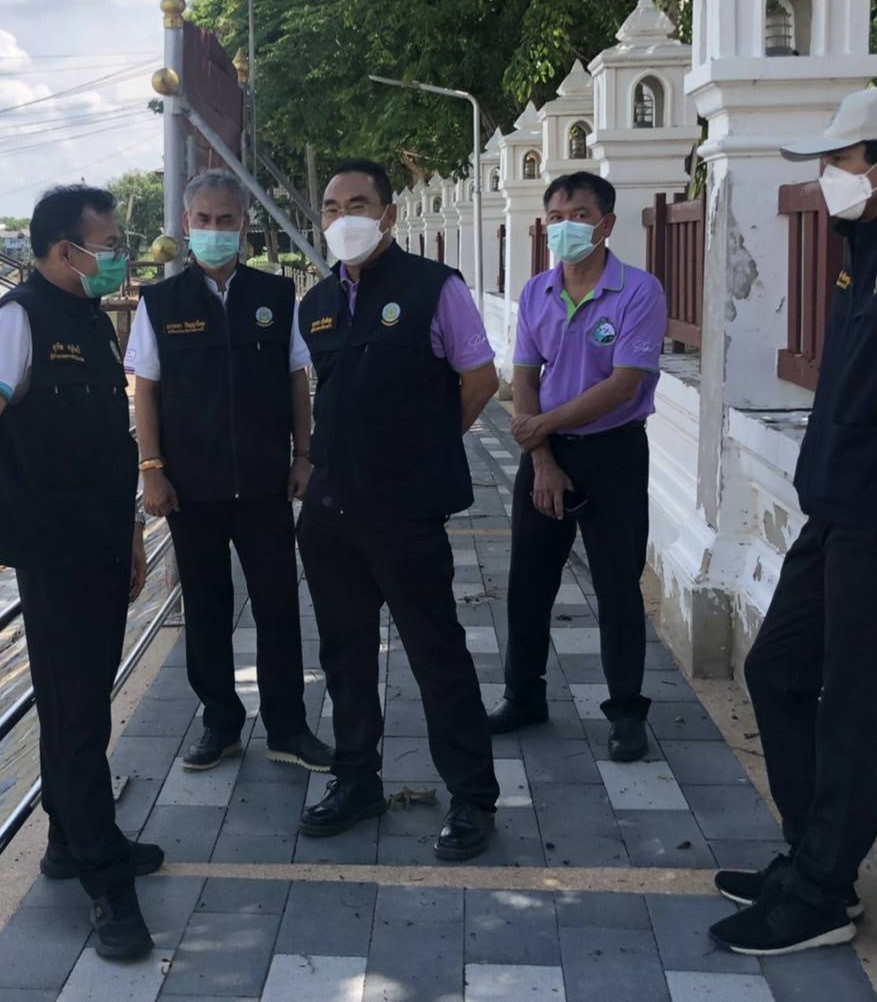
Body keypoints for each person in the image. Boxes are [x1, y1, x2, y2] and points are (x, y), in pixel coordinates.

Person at [708, 85, 877, 957]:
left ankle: (821, 896)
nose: (828, 176)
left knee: (854, 710)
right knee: (777, 670)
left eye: (840, 159)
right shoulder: (870, 242)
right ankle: (812, 861)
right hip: (841, 511)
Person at [0, 185, 163, 961]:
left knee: (81, 705)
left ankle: (67, 839)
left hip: (102, 544)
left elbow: (111, 441)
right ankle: (105, 881)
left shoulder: (92, 321)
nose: (118, 255)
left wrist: (131, 532)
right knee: (76, 714)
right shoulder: (16, 321)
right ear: (64, 250)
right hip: (54, 553)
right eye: (108, 243)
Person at [295, 158, 502, 860]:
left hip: (405, 511)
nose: (342, 217)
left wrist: (427, 448)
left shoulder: (434, 288)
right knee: (345, 654)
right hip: (330, 511)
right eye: (331, 207)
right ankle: (357, 779)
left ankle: (472, 796)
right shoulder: (316, 302)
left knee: (435, 652)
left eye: (358, 203)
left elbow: (480, 378)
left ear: (388, 214)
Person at [127, 170, 333, 774]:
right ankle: (220, 723)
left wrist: (303, 456)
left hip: (266, 486)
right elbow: (146, 390)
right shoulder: (159, 303)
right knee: (207, 610)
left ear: (245, 226)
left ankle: (288, 727)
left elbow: (297, 378)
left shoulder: (276, 296)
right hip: (190, 490)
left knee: (278, 607)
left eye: (226, 220)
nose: (215, 230)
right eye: (204, 220)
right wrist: (151, 470)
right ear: (186, 225)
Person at [486, 172, 668, 764]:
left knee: (616, 585)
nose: (567, 227)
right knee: (528, 581)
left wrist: (540, 425)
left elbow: (624, 384)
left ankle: (626, 712)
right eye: (557, 217)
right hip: (547, 454)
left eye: (581, 215)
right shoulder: (536, 291)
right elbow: (524, 376)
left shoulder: (638, 292)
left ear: (606, 224)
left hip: (613, 452)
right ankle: (523, 696)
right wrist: (541, 456)